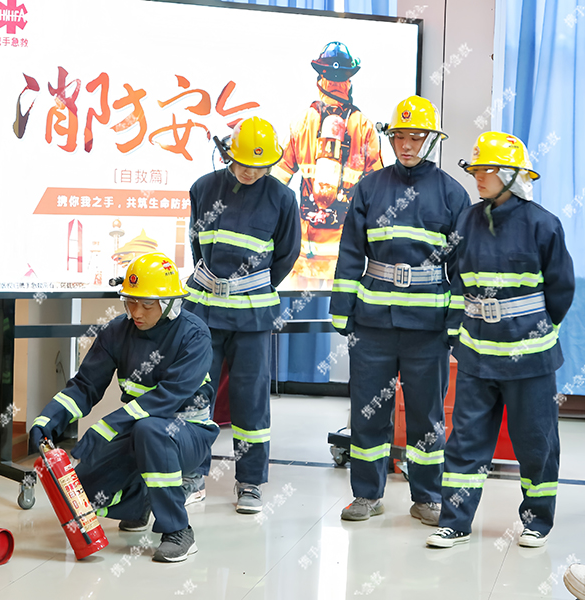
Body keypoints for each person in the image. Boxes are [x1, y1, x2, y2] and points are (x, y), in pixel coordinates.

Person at [426, 132, 575, 548]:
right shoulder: (467, 220)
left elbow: (560, 290)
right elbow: (457, 278)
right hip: (476, 354)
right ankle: (455, 520)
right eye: (475, 169)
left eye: (486, 169)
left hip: (529, 359)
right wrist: (460, 333)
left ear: (511, 175)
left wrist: (535, 333)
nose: (478, 177)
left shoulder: (544, 224)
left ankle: (536, 521)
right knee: (466, 442)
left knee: (536, 442)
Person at [329, 95, 470, 525]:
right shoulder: (369, 188)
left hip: (427, 326)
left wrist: (456, 322)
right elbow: (352, 251)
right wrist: (342, 308)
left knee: (426, 414)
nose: (406, 145)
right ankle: (366, 494)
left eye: (416, 137)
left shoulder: (452, 193)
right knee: (367, 408)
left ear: (431, 140)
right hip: (372, 322)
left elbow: (462, 266)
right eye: (399, 137)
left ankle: (427, 495)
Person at [29, 252, 218, 563]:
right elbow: (85, 386)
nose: (135, 312)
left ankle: (178, 530)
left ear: (170, 304)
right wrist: (48, 419)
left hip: (186, 435)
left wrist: (104, 429)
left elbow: (167, 399)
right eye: (130, 302)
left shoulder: (194, 336)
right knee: (82, 492)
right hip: (137, 429)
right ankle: (140, 504)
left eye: (146, 304)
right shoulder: (117, 331)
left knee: (151, 430)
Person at [182, 116, 300, 514]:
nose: (251, 172)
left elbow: (285, 256)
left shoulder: (282, 199)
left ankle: (250, 482)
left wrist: (251, 287)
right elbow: (198, 247)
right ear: (227, 154)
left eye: (259, 165)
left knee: (250, 401)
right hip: (203, 312)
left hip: (252, 317)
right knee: (197, 395)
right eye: (244, 163)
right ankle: (191, 474)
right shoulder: (203, 188)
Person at [271, 41, 383, 289]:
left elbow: (275, 182)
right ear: (348, 81)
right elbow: (381, 191)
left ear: (320, 80)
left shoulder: (301, 122)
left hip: (303, 254)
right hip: (346, 257)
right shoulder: (364, 126)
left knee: (297, 320)